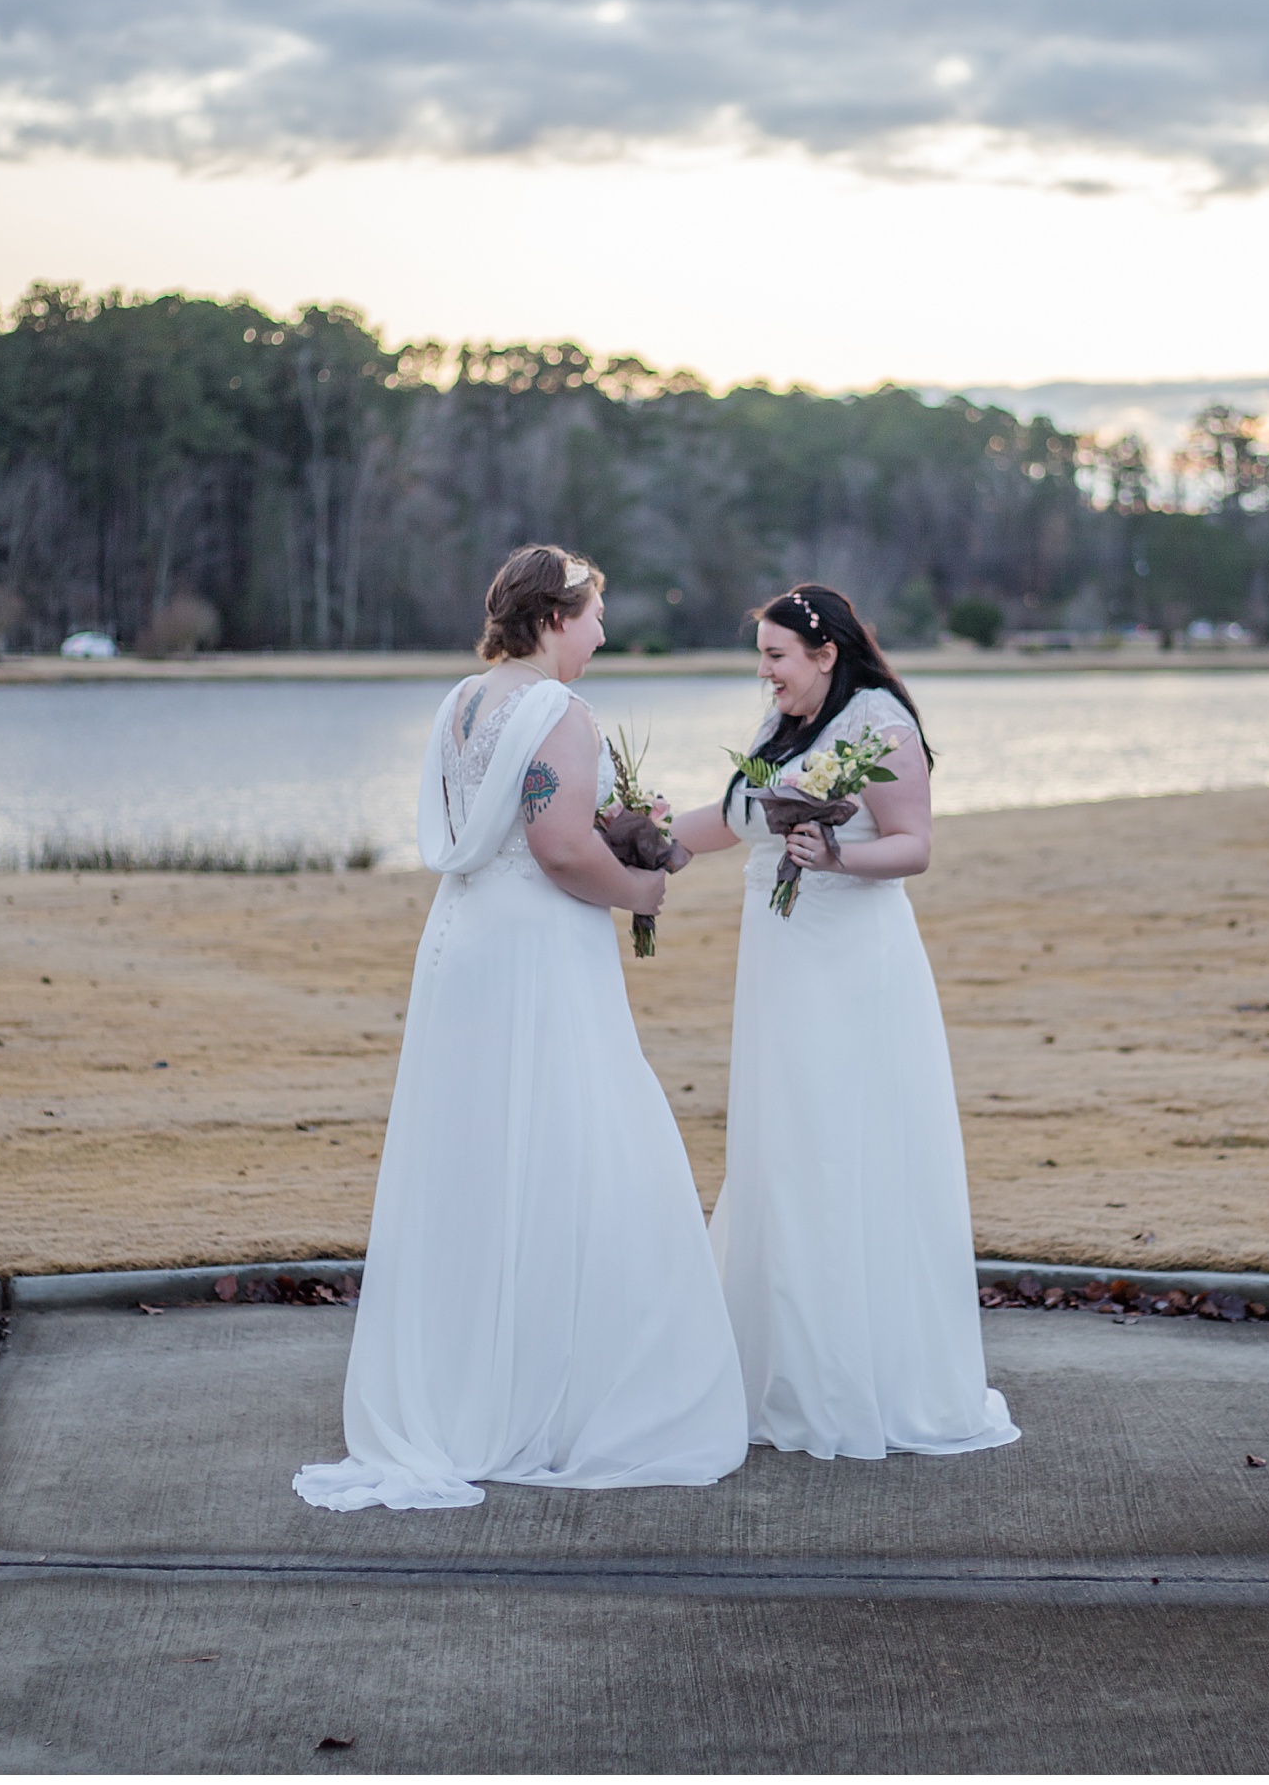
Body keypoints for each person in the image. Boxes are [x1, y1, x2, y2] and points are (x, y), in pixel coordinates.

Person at [294, 544, 748, 1511]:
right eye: (591, 615)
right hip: (539, 956)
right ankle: (559, 1394)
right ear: (553, 617)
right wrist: (644, 884)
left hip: (462, 948)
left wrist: (614, 826)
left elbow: (509, 822)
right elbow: (558, 847)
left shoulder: (462, 701)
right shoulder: (560, 711)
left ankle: (470, 1377)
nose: (601, 632)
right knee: (574, 1144)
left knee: (476, 1156)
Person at [674, 583, 1018, 1461]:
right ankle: (781, 1367)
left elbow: (916, 845)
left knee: (840, 1144)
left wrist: (837, 855)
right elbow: (734, 815)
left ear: (826, 652)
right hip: (782, 966)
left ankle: (857, 1376)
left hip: (849, 968)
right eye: (762, 655)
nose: (765, 671)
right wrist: (648, 839)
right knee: (782, 1144)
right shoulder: (782, 726)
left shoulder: (880, 723)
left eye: (776, 656)